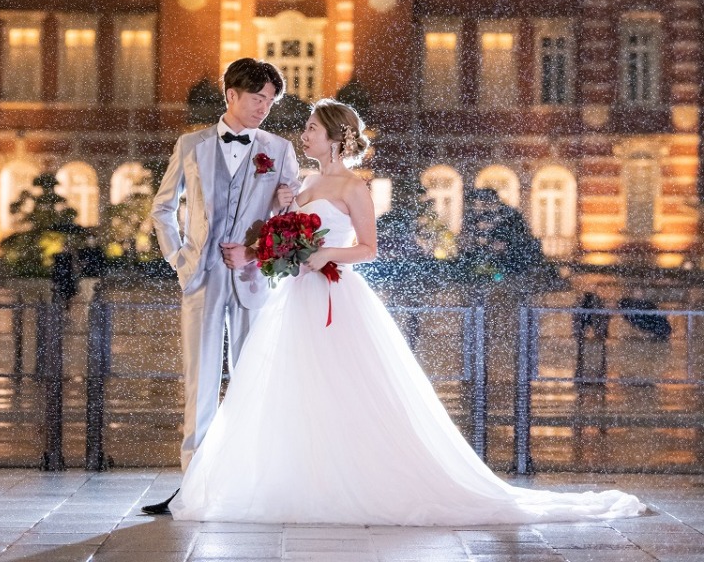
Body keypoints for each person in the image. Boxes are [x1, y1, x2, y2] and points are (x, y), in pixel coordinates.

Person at [169, 98, 644, 526]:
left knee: (345, 386)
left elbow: (369, 249)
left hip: (333, 295)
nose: (305, 134)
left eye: (312, 127)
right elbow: (283, 236)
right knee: (293, 386)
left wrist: (324, 256)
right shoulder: (305, 182)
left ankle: (353, 478)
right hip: (295, 296)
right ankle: (303, 476)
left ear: (334, 137)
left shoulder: (354, 186)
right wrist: (272, 238)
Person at [142, 57, 298, 515]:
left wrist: (282, 209)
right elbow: (162, 208)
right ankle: (193, 489)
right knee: (200, 383)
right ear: (231, 95)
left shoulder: (280, 149)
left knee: (251, 384)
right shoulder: (191, 144)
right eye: (257, 98)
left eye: (270, 100)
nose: (264, 108)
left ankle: (251, 483)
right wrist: (180, 260)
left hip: (254, 281)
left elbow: (292, 229)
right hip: (201, 280)